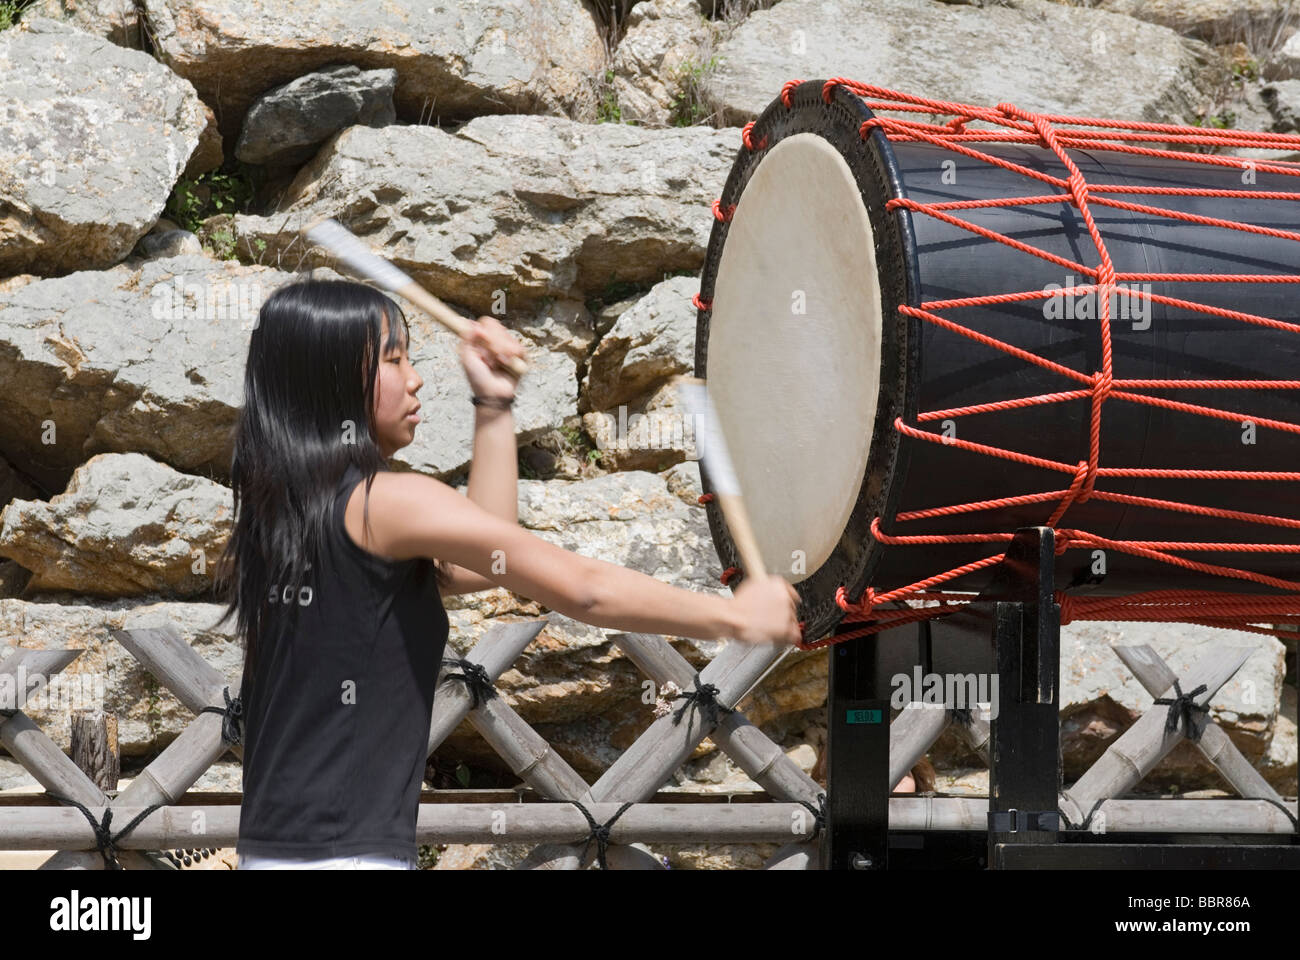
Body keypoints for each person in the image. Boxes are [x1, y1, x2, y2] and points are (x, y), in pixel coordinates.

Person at [212, 278, 802, 870]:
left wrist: (493, 404)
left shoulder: (283, 521)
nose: (416, 378)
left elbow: (488, 555)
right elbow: (584, 589)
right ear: (333, 382)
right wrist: (732, 615)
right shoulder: (386, 504)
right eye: (393, 359)